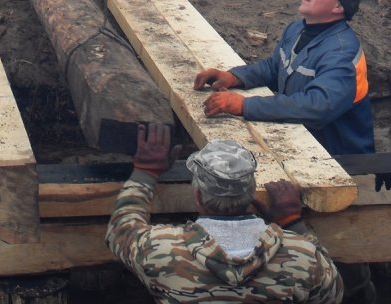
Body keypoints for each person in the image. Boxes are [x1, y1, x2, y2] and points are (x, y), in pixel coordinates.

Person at [194, 0, 376, 303]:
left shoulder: (340, 52)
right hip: (301, 147)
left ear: (338, 7)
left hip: (339, 161)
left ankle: (358, 289)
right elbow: (274, 67)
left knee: (338, 249)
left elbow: (318, 107)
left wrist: (244, 106)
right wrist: (236, 76)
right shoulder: (298, 29)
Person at [106, 123, 343, 303]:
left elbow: (120, 231)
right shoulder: (302, 256)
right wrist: (291, 220)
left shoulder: (159, 249)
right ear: (251, 194)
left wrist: (145, 172)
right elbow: (334, 294)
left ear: (198, 197)